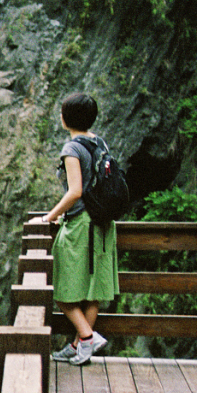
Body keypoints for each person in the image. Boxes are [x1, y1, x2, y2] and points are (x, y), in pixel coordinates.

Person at [43, 92, 117, 364]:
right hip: (103, 222)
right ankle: (78, 347)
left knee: (62, 289)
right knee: (92, 289)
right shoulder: (99, 142)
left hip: (81, 224)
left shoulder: (72, 149)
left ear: (64, 119)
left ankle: (87, 337)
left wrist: (50, 216)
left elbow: (75, 191)